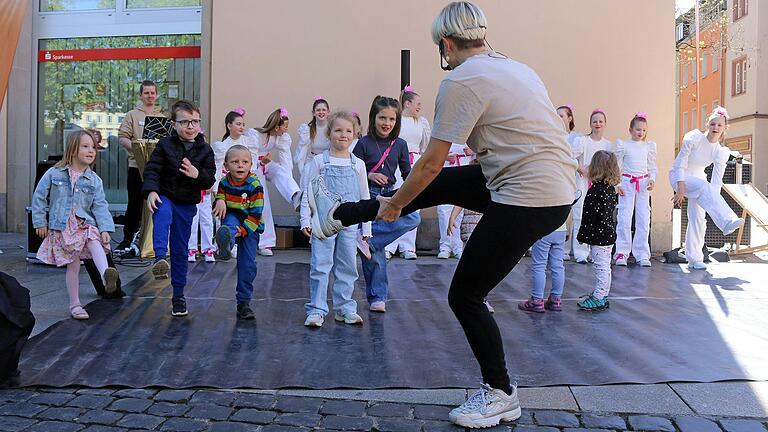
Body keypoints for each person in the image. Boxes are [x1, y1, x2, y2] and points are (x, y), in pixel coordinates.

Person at [307, 2, 577, 427]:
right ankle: (341, 214)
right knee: (437, 186)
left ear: (447, 44)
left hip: (528, 194)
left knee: (465, 295)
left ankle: (500, 392)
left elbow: (431, 161)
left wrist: (394, 206)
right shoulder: (518, 69)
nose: (444, 56)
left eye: (442, 49)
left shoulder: (462, 80)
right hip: (550, 186)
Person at [31, 130, 119, 320]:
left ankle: (106, 276)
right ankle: (75, 304)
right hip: (63, 227)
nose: (91, 151)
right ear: (72, 150)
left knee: (94, 239)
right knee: (74, 266)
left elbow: (100, 205)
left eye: (93, 147)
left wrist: (105, 228)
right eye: (85, 147)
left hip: (84, 223)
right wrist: (40, 221)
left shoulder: (94, 180)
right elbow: (39, 196)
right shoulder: (55, 173)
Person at [143, 100, 216, 317]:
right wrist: (151, 191)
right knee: (163, 212)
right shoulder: (165, 144)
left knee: (180, 249)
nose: (190, 126)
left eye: (194, 121)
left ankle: (178, 295)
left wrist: (196, 174)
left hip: (187, 204)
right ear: (174, 124)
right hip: (165, 195)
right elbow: (152, 169)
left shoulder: (205, 150)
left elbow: (209, 179)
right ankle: (158, 258)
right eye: (184, 122)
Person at [348, 95, 420, 312]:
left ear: (396, 121)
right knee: (376, 256)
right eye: (382, 118)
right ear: (373, 118)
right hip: (368, 196)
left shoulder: (400, 144)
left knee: (413, 217)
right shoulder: (363, 143)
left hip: (389, 195)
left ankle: (369, 238)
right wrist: (369, 175)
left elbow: (408, 174)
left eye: (391, 119)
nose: (386, 123)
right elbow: (352, 172)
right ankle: (377, 297)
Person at [300, 111, 371, 327]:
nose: (343, 134)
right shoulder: (320, 161)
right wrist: (305, 220)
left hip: (349, 226)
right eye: (338, 130)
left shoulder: (357, 164)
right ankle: (317, 309)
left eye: (348, 131)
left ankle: (345, 308)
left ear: (355, 134)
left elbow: (365, 198)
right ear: (329, 133)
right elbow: (309, 192)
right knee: (321, 265)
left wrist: (366, 228)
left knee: (348, 266)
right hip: (323, 224)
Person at [670, 107, 744, 270]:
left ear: (724, 128)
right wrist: (680, 189)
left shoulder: (720, 151)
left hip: (698, 179)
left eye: (719, 125)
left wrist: (713, 203)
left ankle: (694, 258)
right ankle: (726, 221)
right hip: (679, 176)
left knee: (698, 218)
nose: (715, 128)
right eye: (712, 124)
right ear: (707, 125)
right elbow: (681, 163)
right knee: (704, 186)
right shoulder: (694, 138)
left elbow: (716, 182)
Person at [212, 145, 264, 320]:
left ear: (251, 165)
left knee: (247, 265)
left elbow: (256, 216)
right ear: (226, 165)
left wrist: (243, 231)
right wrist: (219, 199)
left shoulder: (255, 185)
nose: (240, 165)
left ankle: (243, 302)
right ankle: (226, 245)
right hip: (233, 216)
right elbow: (220, 194)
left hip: (251, 223)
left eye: (244, 162)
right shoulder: (224, 182)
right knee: (229, 224)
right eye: (235, 162)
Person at [244, 108, 303, 256]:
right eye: (285, 126)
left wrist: (287, 178)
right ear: (277, 127)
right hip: (252, 168)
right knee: (263, 202)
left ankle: (295, 196)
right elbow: (249, 157)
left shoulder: (280, 138)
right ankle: (265, 243)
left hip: (265, 164)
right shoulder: (255, 135)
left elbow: (286, 160)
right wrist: (258, 166)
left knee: (279, 170)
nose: (286, 130)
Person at [117, 80, 164, 252]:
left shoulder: (162, 118)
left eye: (152, 93)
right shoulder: (132, 115)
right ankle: (128, 238)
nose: (150, 96)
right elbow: (123, 138)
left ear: (156, 95)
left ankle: (153, 241)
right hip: (136, 167)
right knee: (134, 204)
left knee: (156, 204)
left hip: (157, 170)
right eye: (146, 93)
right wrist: (139, 150)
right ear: (140, 95)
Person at [385, 86, 431, 260]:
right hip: (397, 164)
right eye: (417, 103)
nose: (419, 107)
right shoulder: (397, 121)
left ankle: (408, 246)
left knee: (413, 203)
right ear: (407, 103)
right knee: (395, 199)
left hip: (415, 163)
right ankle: (389, 245)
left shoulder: (422, 122)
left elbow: (425, 146)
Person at [575, 150, 619, 312]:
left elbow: (589, 217)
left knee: (601, 267)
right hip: (608, 235)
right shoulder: (610, 189)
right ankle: (602, 293)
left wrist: (582, 236)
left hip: (599, 237)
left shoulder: (595, 191)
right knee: (605, 266)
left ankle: (599, 297)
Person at [614, 112, 657, 267]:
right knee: (624, 217)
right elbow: (617, 166)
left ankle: (642, 253)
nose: (641, 133)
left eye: (644, 130)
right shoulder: (623, 145)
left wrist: (652, 179)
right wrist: (617, 184)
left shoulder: (648, 147)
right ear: (631, 130)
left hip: (643, 184)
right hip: (627, 182)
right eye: (638, 129)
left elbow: (652, 166)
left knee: (643, 218)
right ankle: (622, 252)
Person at [571, 109, 613, 263]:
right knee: (580, 215)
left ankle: (594, 251)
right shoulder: (582, 141)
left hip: (599, 187)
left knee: (597, 217)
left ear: (605, 124)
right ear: (590, 123)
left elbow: (611, 166)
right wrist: (581, 168)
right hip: (583, 183)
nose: (598, 124)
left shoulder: (608, 145)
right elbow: (571, 158)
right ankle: (580, 252)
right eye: (595, 121)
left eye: (601, 121)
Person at [518, 221, 566, 313]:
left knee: (539, 266)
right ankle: (555, 300)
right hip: (561, 229)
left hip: (544, 228)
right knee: (558, 266)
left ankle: (536, 301)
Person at [438, 143, 474, 259]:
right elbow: (431, 151)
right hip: (447, 168)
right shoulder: (444, 127)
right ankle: (445, 246)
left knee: (459, 209)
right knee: (443, 209)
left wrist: (472, 151)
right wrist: (444, 157)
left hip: (464, 166)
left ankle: (457, 246)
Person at [295, 98, 331, 183]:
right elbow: (302, 150)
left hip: (328, 161)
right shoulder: (307, 129)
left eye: (324, 110)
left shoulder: (332, 128)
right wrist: (302, 170)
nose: (321, 112)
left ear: (328, 112)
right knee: (308, 177)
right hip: (312, 160)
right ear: (314, 113)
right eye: (318, 110)